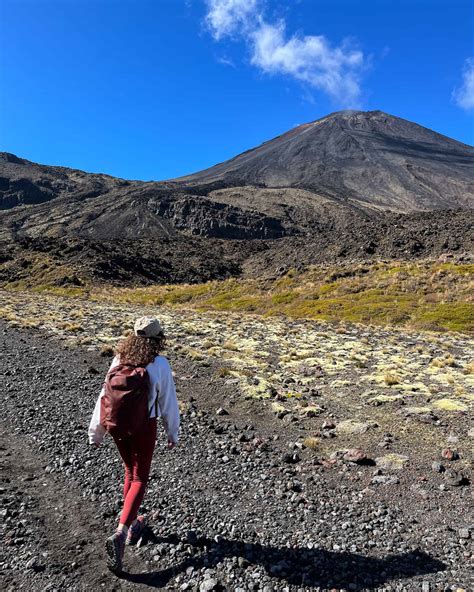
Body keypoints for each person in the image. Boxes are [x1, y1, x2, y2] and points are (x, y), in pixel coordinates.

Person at [88, 316, 180, 573]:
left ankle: (128, 523)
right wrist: (173, 433)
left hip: (117, 426)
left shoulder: (119, 359)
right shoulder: (159, 363)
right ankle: (121, 532)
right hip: (144, 426)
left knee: (130, 471)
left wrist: (96, 431)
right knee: (140, 478)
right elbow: (168, 402)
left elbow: (104, 396)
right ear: (158, 339)